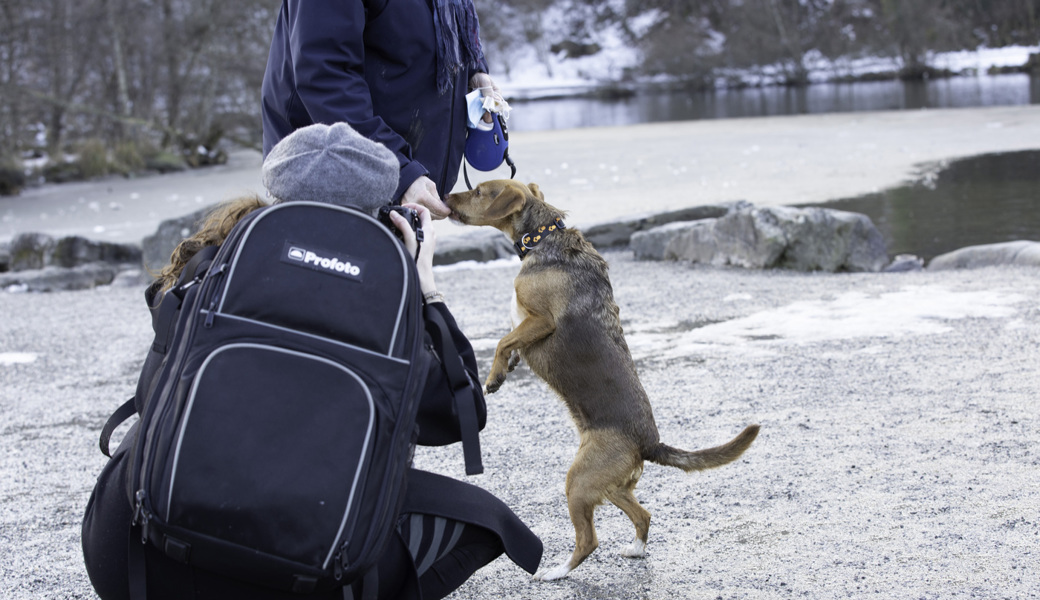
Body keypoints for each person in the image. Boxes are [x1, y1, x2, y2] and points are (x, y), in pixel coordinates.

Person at [82, 122, 541, 600]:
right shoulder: (384, 301)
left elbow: (150, 394)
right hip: (300, 569)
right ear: (386, 214)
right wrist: (425, 290)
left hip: (136, 559)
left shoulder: (217, 262)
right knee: (485, 519)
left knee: (152, 426)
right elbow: (460, 415)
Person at [260, 0, 507, 219]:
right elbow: (326, 77)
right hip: (330, 183)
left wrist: (474, 71)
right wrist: (399, 171)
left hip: (401, 189)